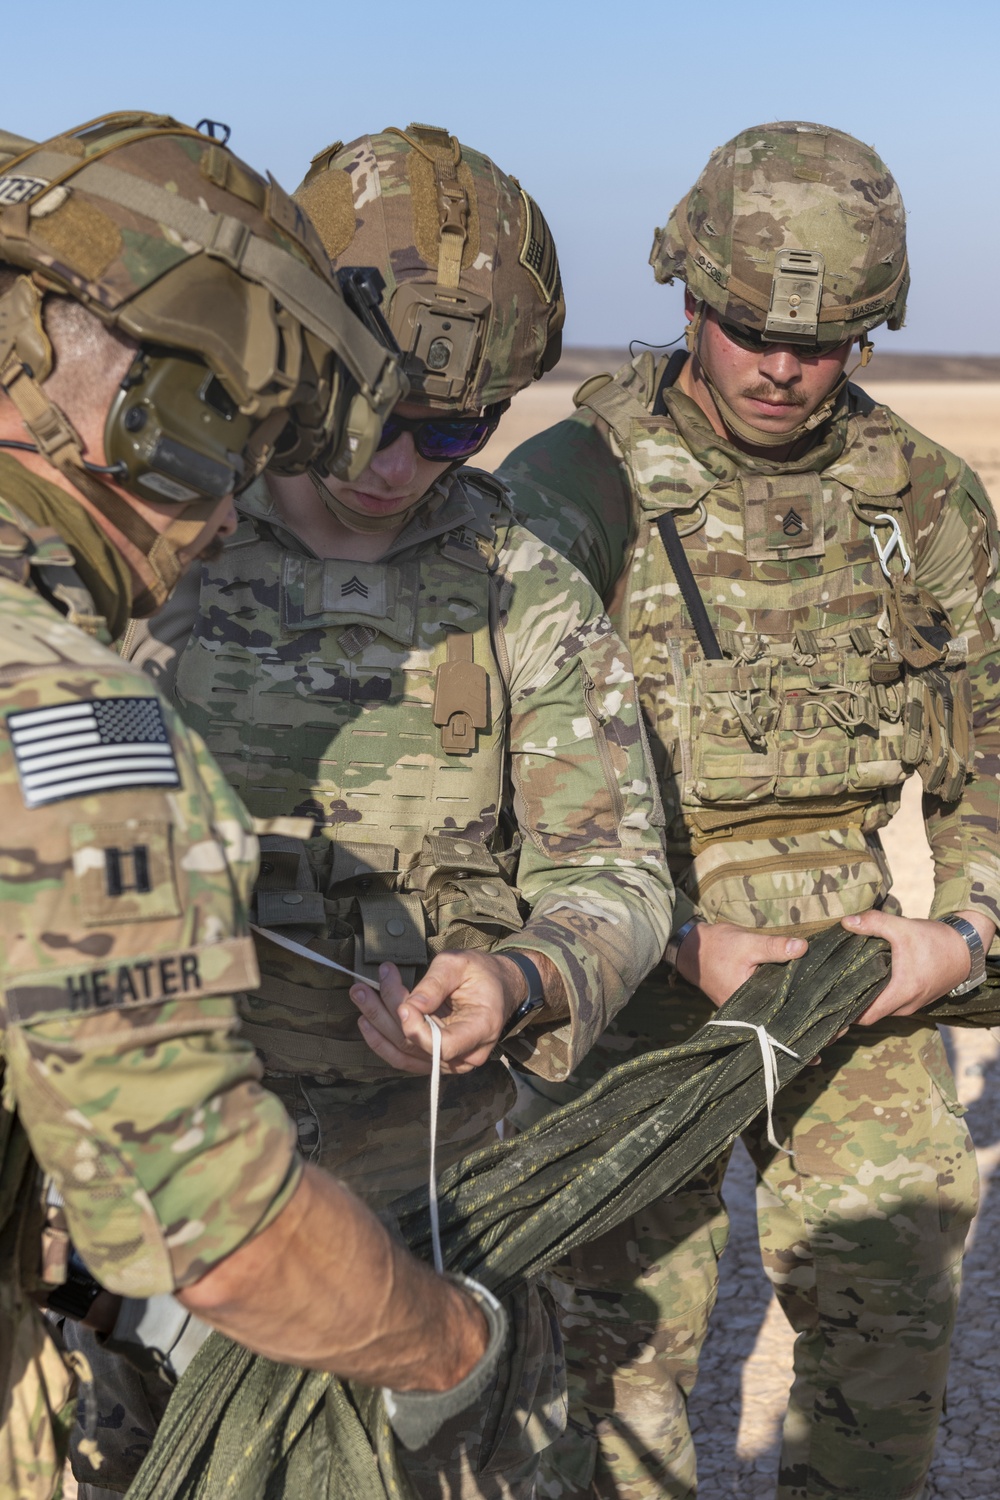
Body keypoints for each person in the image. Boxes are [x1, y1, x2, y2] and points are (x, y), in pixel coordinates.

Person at [125, 122, 675, 1499]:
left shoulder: (521, 591)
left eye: (459, 429)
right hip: (162, 1200)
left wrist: (519, 975)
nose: (401, 461)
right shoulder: (149, 550)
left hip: (429, 1206)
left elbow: (616, 874)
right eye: (379, 412)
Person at [0, 111, 506, 1500]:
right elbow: (217, 1234)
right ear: (155, 421)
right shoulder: (62, 720)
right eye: (243, 451)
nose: (228, 517)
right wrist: (451, 1342)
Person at [499, 120, 997, 1500]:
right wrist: (653, 941)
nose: (784, 366)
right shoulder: (568, 494)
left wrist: (956, 936)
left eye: (830, 339)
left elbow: (994, 742)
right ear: (685, 296)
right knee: (618, 1345)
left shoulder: (923, 501)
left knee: (892, 1298)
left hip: (853, 972)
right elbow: (484, 787)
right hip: (627, 972)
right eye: (750, 327)